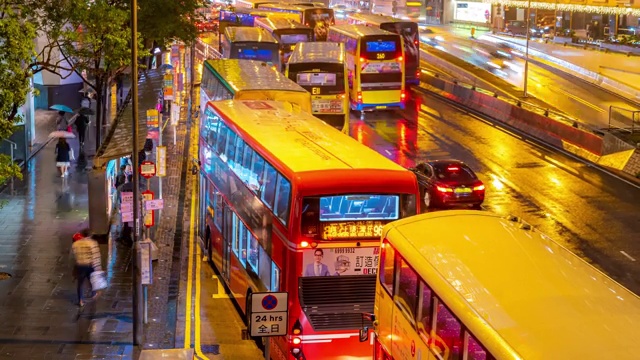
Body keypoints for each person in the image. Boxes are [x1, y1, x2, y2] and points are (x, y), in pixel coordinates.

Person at [71, 228, 102, 306]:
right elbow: (96, 256)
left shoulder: (76, 244)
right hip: (89, 265)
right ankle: (94, 293)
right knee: (91, 280)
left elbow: (73, 255)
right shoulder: (93, 243)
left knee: (80, 283)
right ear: (90, 235)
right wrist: (98, 267)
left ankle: (80, 300)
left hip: (80, 265)